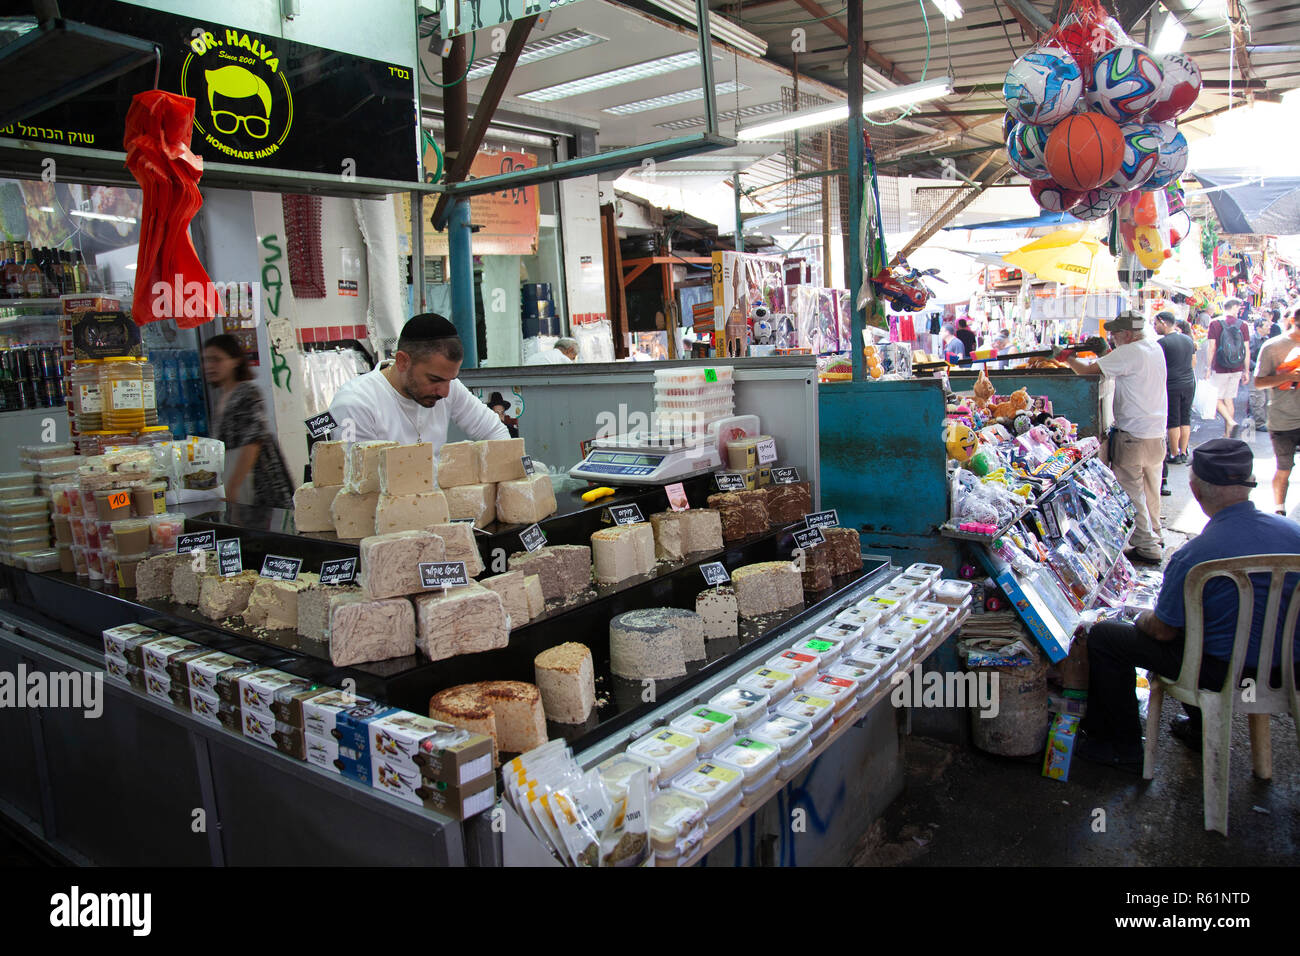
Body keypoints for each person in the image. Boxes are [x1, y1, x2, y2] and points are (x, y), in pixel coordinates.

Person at [1076, 440, 1300, 770]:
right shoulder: (1293, 535)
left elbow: (1164, 631)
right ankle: (1199, 727)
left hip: (1220, 675)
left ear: (1194, 490)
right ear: (1250, 483)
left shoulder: (1193, 555)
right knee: (1206, 632)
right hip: (1290, 671)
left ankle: (1119, 747)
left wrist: (1142, 620)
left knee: (1106, 637)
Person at [1058, 310, 1168, 564]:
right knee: (1152, 489)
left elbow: (1088, 372)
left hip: (1134, 434)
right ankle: (1156, 535)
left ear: (1127, 334)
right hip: (1155, 431)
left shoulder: (1131, 351)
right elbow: (1120, 364)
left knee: (1132, 491)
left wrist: (1069, 358)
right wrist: (1106, 351)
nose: (1113, 337)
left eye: (1116, 334)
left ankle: (1147, 546)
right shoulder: (1152, 347)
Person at [327, 313, 509, 447]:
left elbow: (495, 431)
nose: (445, 392)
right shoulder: (356, 403)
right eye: (434, 380)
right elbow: (356, 481)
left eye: (450, 380)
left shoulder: (448, 387)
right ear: (402, 361)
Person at [203, 334, 294, 509]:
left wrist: (233, 487)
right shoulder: (221, 397)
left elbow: (252, 444)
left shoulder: (247, 393)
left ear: (235, 360)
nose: (210, 366)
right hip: (237, 481)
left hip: (257, 483)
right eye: (206, 360)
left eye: (216, 359)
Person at [1252, 304, 1300, 516]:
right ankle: (1279, 510)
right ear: (1292, 322)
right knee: (1284, 468)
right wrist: (1288, 376)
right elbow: (1259, 382)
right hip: (1283, 418)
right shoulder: (1273, 347)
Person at [1205, 297, 1251, 437]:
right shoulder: (1243, 325)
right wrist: (1246, 370)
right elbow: (1246, 349)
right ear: (1235, 307)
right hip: (1236, 367)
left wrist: (1208, 368)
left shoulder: (1215, 323)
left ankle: (1230, 422)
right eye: (1239, 307)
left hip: (1219, 367)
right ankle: (1227, 433)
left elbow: (1211, 347)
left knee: (1215, 398)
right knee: (1229, 399)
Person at [1155, 311, 1195, 465]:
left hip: (1172, 385)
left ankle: (1174, 453)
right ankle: (1183, 451)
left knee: (1173, 420)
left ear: (1163, 322)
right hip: (1188, 384)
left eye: (1156, 323)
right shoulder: (1188, 340)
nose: (1155, 327)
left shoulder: (1162, 343)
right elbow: (1192, 361)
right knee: (1185, 418)